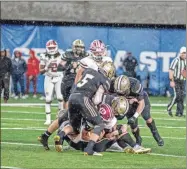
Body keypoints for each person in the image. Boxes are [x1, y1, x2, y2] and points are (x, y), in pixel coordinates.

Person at [112, 75, 164, 146]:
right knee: (133, 126)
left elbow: (141, 103)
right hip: (127, 103)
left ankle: (156, 134)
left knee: (147, 118)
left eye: (123, 91)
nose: (121, 94)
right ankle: (138, 139)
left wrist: (135, 116)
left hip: (140, 101)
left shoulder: (135, 85)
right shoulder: (113, 84)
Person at [58, 39, 88, 110]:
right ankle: (65, 114)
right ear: (73, 47)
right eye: (77, 47)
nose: (79, 49)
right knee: (66, 99)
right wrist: (70, 66)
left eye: (81, 47)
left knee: (81, 99)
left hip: (81, 79)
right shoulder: (68, 55)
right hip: (68, 79)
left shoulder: (86, 55)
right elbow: (59, 67)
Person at [40, 40, 63, 125]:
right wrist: (46, 67)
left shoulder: (61, 55)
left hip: (59, 77)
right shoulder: (44, 56)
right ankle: (48, 119)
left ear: (56, 47)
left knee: (60, 97)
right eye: (50, 48)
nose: (52, 49)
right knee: (48, 99)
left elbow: (64, 68)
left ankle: (60, 117)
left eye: (53, 47)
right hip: (49, 77)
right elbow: (41, 71)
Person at [167, 46, 186, 117]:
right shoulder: (176, 60)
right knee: (177, 95)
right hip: (176, 80)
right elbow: (171, 70)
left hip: (183, 80)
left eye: (185, 53)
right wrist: (171, 80)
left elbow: (185, 71)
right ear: (180, 53)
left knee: (182, 96)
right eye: (183, 53)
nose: (184, 54)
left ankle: (179, 112)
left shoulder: (186, 60)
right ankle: (169, 107)